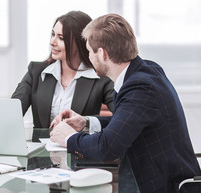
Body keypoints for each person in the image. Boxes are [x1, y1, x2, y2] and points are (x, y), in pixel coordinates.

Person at [50, 13, 201, 192]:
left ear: (102, 53)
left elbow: (107, 148)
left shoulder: (140, 87)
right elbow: (128, 120)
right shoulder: (144, 71)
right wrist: (87, 122)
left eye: (89, 51)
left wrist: (68, 138)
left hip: (167, 187)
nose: (88, 58)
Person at [12, 11, 114, 128]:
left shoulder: (100, 78)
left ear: (81, 43)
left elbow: (122, 117)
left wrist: (87, 122)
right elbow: (12, 112)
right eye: (53, 34)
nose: (52, 42)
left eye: (61, 38)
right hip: (41, 145)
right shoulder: (36, 72)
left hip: (78, 145)